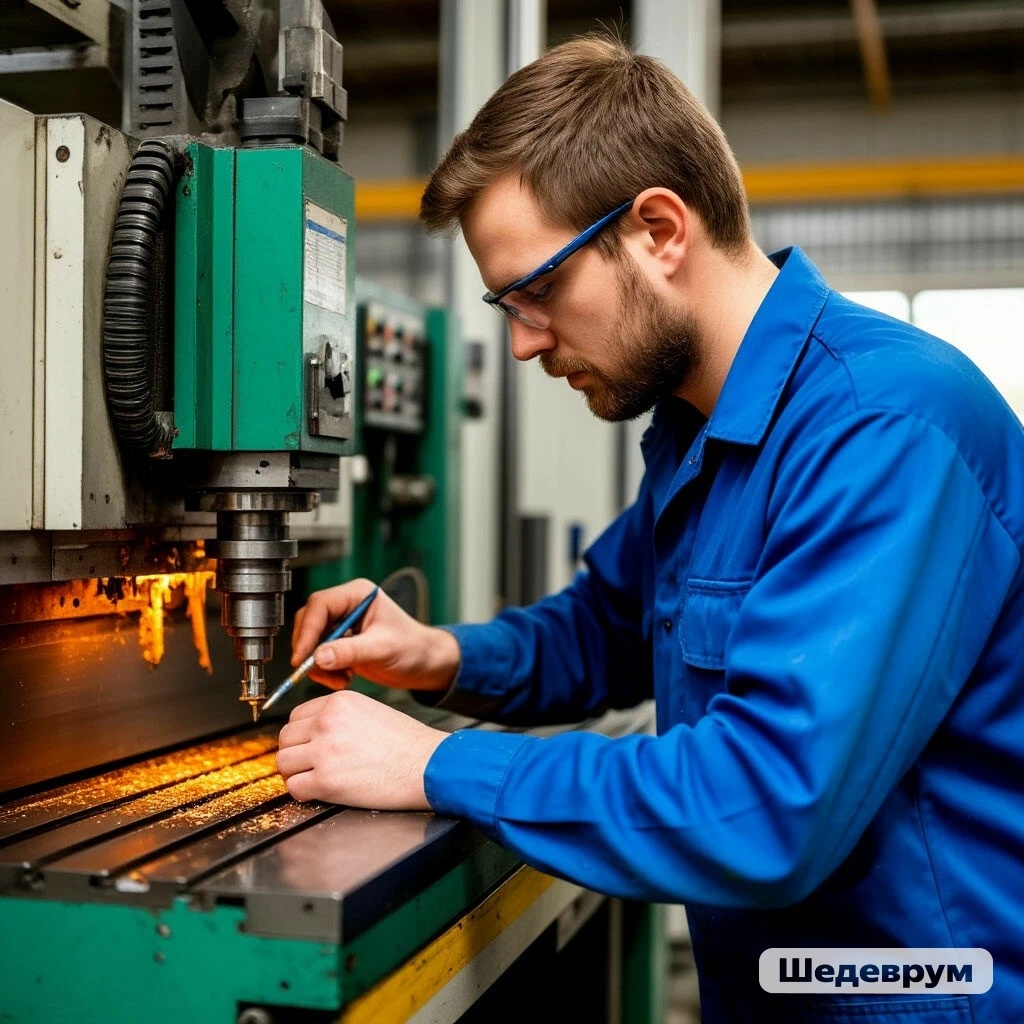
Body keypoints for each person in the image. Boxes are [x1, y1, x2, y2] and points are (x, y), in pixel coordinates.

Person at [276, 31, 1024, 1023]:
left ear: (660, 230)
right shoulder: (698, 429)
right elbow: (608, 630)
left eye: (538, 292)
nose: (524, 340)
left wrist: (431, 763)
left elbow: (766, 805)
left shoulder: (884, 429)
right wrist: (436, 654)